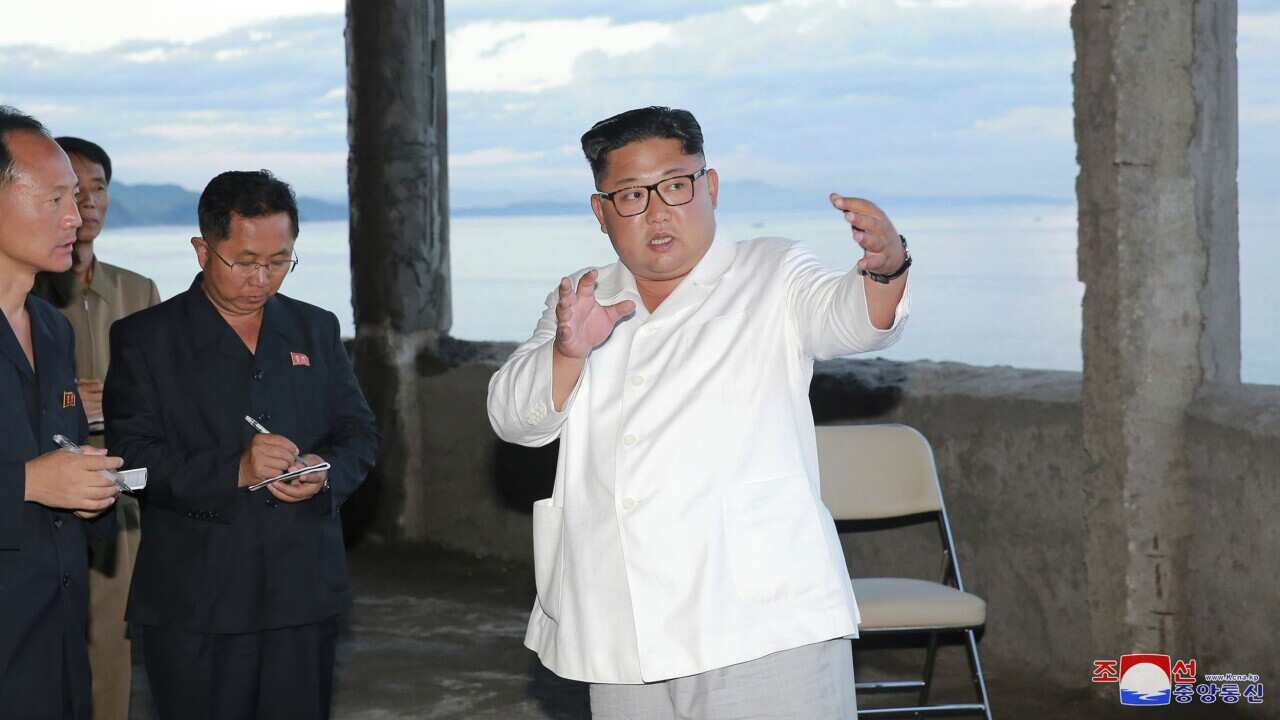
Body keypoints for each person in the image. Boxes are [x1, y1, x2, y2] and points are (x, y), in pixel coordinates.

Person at [487, 106, 912, 718]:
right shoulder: (582, 296)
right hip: (621, 622)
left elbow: (848, 318)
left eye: (676, 185)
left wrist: (887, 268)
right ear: (601, 212)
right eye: (631, 195)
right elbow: (513, 418)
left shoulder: (772, 270)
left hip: (758, 619)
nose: (658, 211)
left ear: (709, 186)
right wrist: (567, 352)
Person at [103, 170, 380, 720]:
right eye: (246, 261)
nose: (262, 278)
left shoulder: (315, 329)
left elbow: (359, 432)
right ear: (203, 249)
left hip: (301, 589)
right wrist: (236, 469)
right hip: (196, 598)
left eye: (279, 261)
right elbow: (131, 460)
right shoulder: (146, 338)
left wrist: (324, 468)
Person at [30, 136, 160, 720]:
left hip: (117, 491)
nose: (85, 203)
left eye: (97, 188)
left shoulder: (138, 291)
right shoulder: (22, 296)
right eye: (69, 190)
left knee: (112, 638)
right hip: (38, 491)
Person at [0, 105, 123, 719]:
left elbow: (60, 450)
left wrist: (88, 484)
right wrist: (28, 483)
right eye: (54, 199)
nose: (76, 217)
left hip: (58, 632)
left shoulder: (51, 328)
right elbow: (33, 476)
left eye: (75, 197)